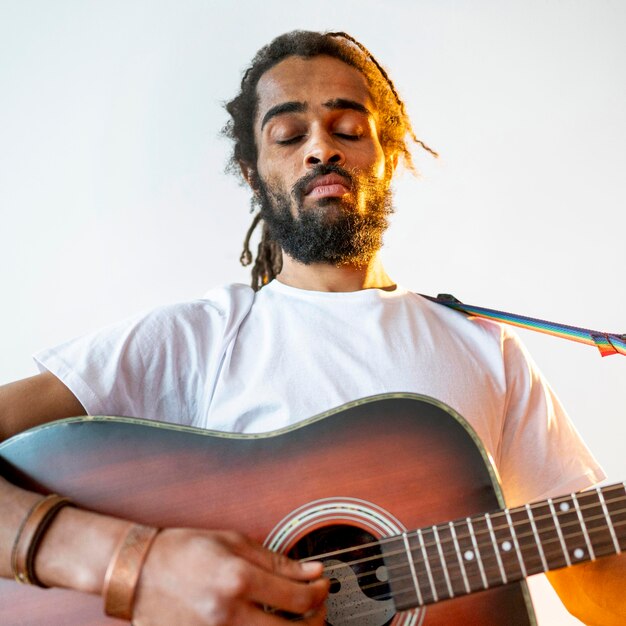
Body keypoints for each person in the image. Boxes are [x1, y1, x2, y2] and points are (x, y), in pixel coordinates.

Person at [0, 30, 624, 625]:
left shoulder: (489, 349)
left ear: (390, 154)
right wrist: (135, 564)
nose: (321, 147)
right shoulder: (196, 341)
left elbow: (598, 585)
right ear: (252, 174)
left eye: (348, 128)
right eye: (289, 134)